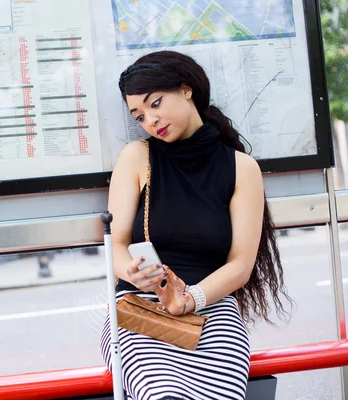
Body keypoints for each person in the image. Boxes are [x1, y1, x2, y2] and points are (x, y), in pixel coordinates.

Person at [100, 51, 292, 400]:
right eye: (139, 115)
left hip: (213, 313)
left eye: (155, 103)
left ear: (186, 90)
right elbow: (115, 242)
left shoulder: (241, 168)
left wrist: (190, 299)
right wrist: (131, 270)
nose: (150, 120)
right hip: (142, 309)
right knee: (163, 394)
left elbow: (240, 265)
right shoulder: (136, 157)